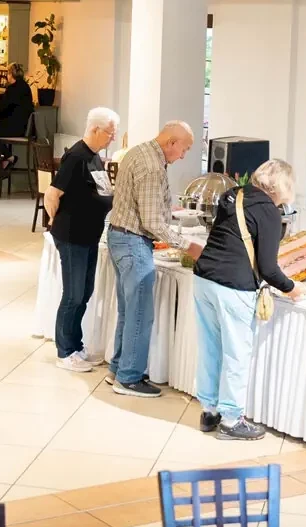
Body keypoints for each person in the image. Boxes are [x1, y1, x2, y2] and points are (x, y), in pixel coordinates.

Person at [192, 160, 303, 440]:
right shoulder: (269, 212)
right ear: (281, 186)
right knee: (236, 353)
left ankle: (209, 410)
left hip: (204, 278)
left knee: (210, 347)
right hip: (233, 285)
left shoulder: (233, 194)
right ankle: (231, 420)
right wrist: (292, 288)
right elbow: (268, 268)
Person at [106, 122, 203, 398]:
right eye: (184, 149)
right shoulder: (151, 166)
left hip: (119, 236)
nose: (183, 156)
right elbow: (151, 222)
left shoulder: (139, 152)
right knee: (140, 313)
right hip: (133, 242)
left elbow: (144, 205)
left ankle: (118, 368)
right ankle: (129, 378)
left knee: (128, 311)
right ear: (171, 142)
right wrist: (188, 247)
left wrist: (167, 209)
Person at [44, 107, 120, 372]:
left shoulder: (95, 157)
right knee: (73, 294)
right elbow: (52, 194)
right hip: (72, 236)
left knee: (84, 293)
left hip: (89, 235)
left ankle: (76, 346)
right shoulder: (76, 156)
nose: (113, 137)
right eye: (110, 132)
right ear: (95, 129)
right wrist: (55, 220)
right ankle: (65, 351)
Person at [0, 63, 35, 170]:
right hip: (23, 127)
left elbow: (2, 106)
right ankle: (6, 160)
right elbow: (9, 99)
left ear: (11, 74)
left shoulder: (13, 89)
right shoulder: (24, 86)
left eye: (8, 73)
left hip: (15, 128)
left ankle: (9, 157)